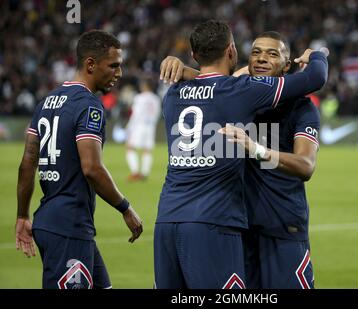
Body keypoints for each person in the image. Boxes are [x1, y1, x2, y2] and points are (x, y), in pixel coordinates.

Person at [154, 20, 327, 289]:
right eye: (256, 52)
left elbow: (305, 166)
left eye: (272, 54)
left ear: (288, 65)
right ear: (237, 55)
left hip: (281, 229)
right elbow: (213, 81)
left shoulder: (301, 109)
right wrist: (183, 68)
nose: (261, 58)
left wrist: (257, 150)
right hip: (237, 229)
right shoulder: (241, 94)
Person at [16, 30, 143, 289]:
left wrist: (22, 215)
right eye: (114, 65)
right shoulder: (89, 105)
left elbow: (28, 163)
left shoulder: (46, 102)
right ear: (90, 64)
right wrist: (125, 208)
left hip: (54, 222)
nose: (119, 73)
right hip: (68, 226)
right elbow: (92, 168)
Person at [125, 79, 161, 181]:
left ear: (145, 86)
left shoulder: (139, 98)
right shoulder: (156, 99)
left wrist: (129, 127)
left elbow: (136, 114)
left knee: (130, 148)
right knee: (147, 150)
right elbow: (157, 114)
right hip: (150, 126)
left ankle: (135, 172)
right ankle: (144, 174)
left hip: (139, 126)